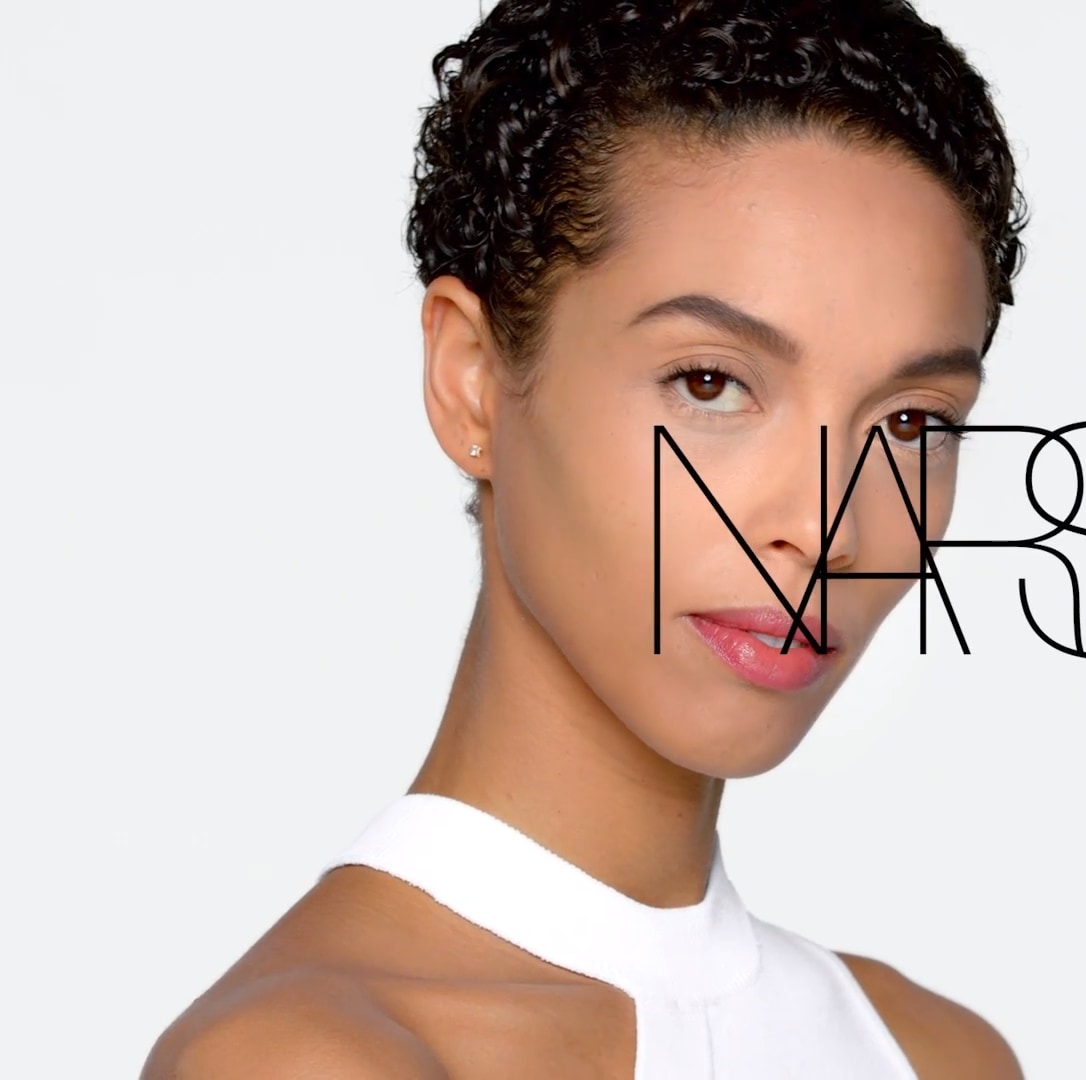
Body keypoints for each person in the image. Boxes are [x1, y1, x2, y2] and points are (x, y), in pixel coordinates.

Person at [141, 1, 1027, 1076]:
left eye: (912, 424)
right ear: (472, 382)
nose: (825, 525)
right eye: (711, 384)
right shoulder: (310, 1058)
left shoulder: (939, 1057)